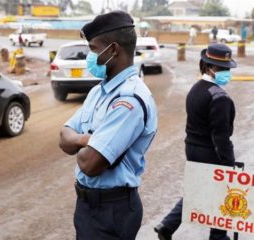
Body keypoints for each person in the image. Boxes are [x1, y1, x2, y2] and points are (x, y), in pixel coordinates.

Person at [59, 10, 158, 240]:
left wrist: (80, 142)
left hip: (112, 212)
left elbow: (89, 163)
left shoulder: (129, 100)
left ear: (113, 50)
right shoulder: (99, 91)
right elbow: (63, 138)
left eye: (93, 49)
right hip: (88, 207)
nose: (89, 57)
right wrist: (87, 139)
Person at [154, 43, 237, 240]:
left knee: (198, 188)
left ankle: (168, 225)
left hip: (192, 148)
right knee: (219, 191)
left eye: (227, 68)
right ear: (209, 67)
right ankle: (218, 236)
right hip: (210, 151)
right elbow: (221, 137)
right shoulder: (219, 97)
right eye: (222, 69)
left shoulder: (196, 89)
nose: (226, 72)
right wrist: (228, 163)